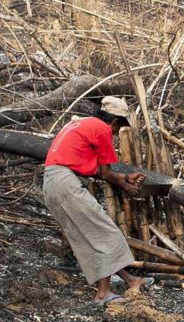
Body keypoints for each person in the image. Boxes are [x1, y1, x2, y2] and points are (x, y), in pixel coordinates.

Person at [43, 96, 151, 304]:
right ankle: (103, 294)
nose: (115, 134)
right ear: (114, 122)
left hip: (52, 183)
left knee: (90, 236)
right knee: (106, 234)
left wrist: (123, 178)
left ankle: (131, 280)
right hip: (66, 184)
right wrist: (127, 186)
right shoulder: (102, 129)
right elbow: (106, 173)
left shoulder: (80, 124)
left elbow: (97, 171)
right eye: (117, 130)